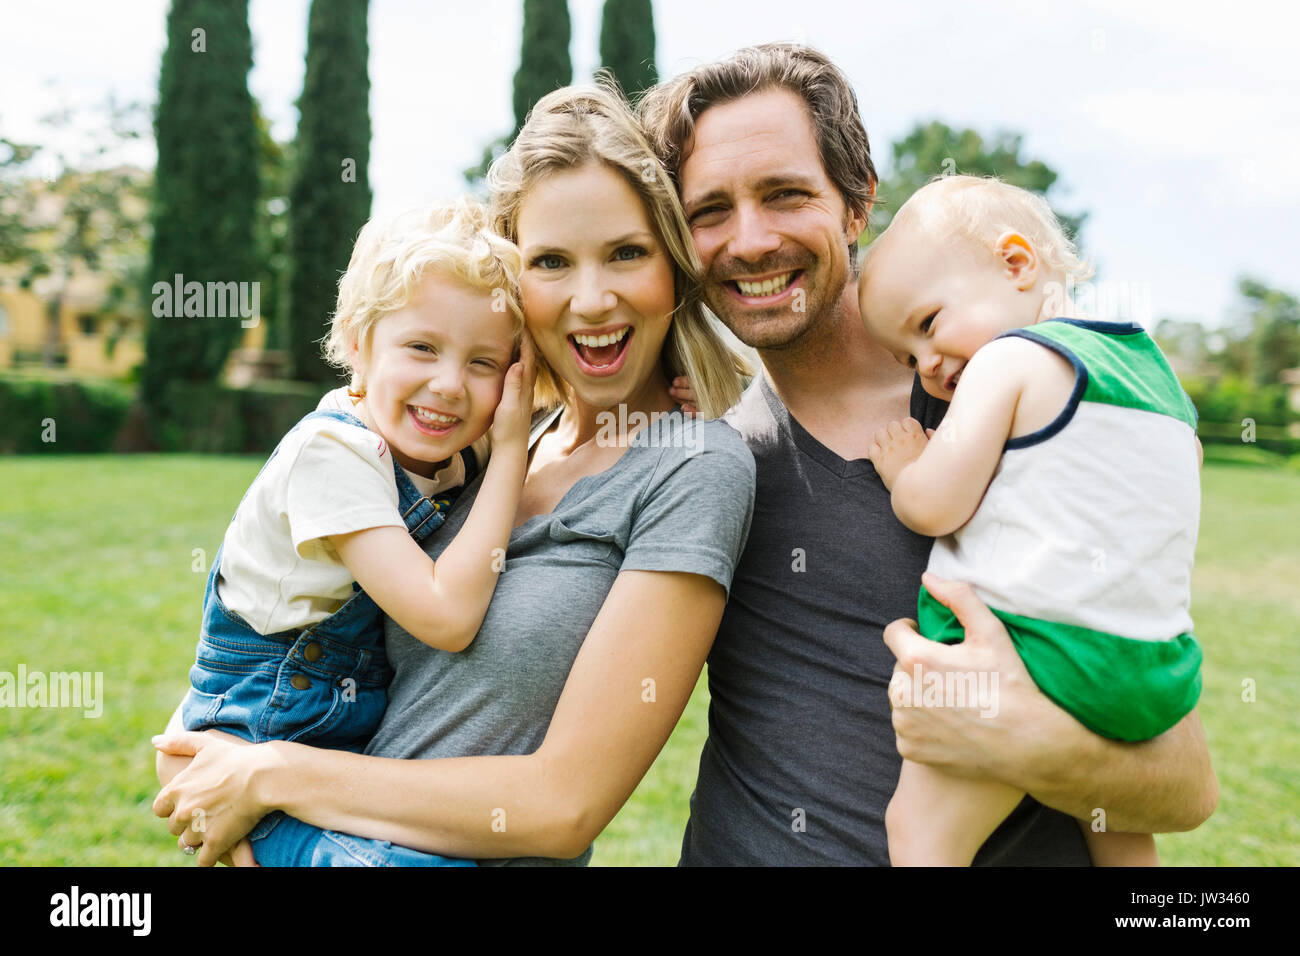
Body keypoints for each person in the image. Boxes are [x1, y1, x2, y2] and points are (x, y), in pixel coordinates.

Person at [640, 42, 1217, 865]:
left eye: (785, 194)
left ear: (856, 203)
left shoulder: (1017, 412)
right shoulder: (706, 456)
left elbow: (1184, 786)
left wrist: (1024, 738)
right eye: (709, 212)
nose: (751, 238)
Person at [152, 82, 756, 867]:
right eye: (549, 261)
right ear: (511, 285)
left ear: (673, 268)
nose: (592, 297)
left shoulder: (693, 468)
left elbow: (561, 808)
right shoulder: (474, 447)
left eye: (627, 253)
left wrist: (272, 775)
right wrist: (228, 774)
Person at [174, 198, 536, 866]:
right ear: (356, 343)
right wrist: (511, 450)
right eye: (422, 347)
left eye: (484, 363)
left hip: (334, 750)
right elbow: (448, 616)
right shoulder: (332, 454)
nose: (450, 385)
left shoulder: (447, 452)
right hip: (257, 734)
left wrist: (663, 396)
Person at [859, 175, 1203, 866]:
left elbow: (935, 505)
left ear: (1017, 265)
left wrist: (905, 469)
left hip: (1036, 653)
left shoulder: (1009, 360)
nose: (927, 366)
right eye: (907, 358)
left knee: (921, 832)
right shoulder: (1159, 383)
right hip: (1149, 669)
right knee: (1120, 832)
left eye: (927, 324)